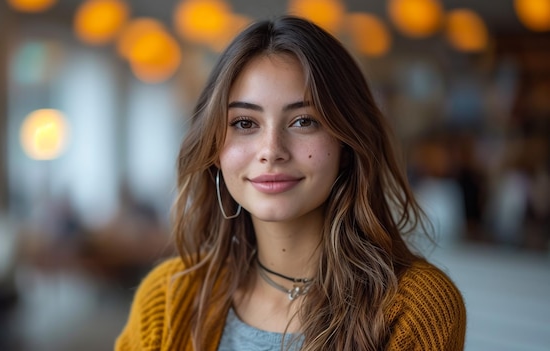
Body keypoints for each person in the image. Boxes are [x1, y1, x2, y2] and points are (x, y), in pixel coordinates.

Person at [115, 15, 466, 351]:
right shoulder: (167, 298)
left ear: (347, 143)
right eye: (244, 123)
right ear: (213, 149)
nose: (271, 151)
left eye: (303, 121)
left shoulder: (413, 308)